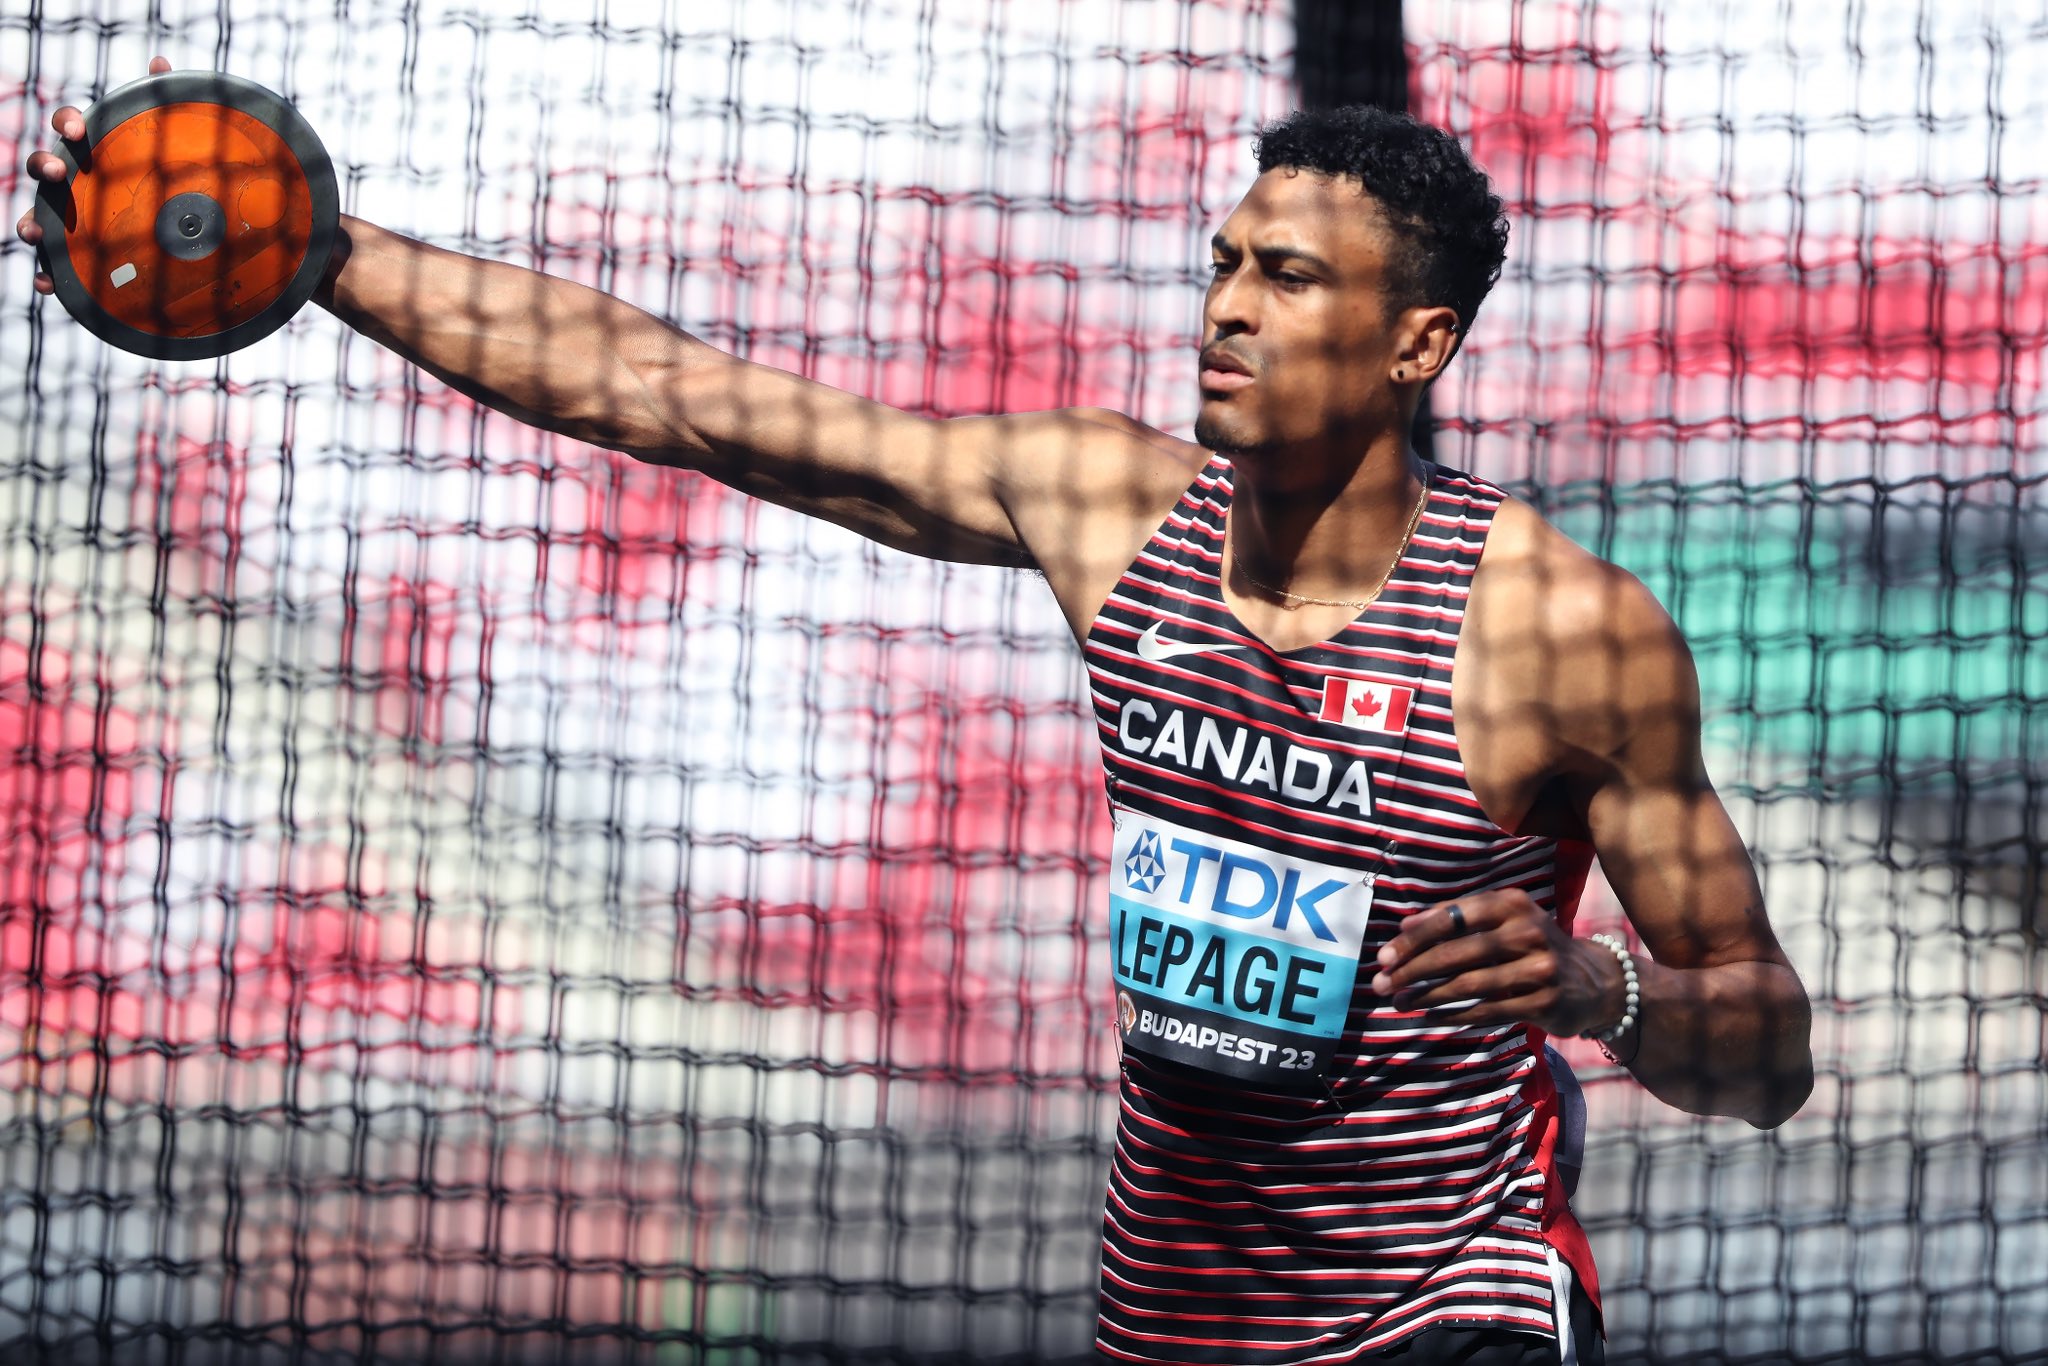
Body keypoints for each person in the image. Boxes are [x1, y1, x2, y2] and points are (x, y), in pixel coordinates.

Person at [19, 59, 1814, 1366]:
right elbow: (676, 398)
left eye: (1292, 280)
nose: (1228, 311)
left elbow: (1770, 1048)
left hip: (1458, 1300)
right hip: (1175, 1299)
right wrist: (325, 256)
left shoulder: (1563, 638)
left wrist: (1608, 992)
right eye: (1225, 263)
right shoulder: (1110, 513)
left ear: (1419, 346)